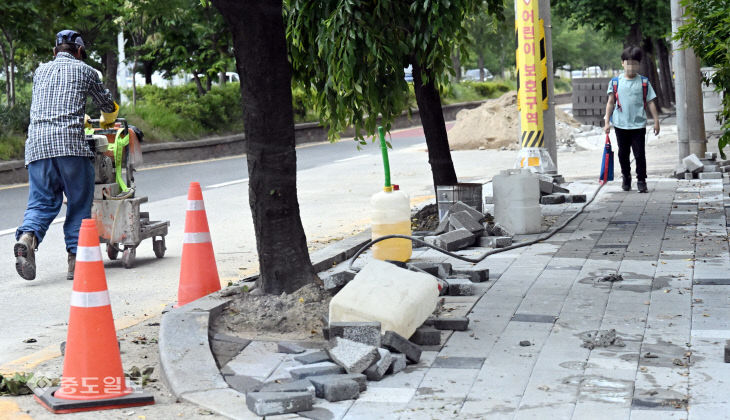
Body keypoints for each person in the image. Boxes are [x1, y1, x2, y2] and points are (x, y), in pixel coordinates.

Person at [14, 30, 118, 281]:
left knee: (41, 202)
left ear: (54, 51)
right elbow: (106, 105)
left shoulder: (40, 71)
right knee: (79, 202)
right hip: (71, 146)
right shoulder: (86, 71)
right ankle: (75, 260)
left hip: (37, 146)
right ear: (80, 52)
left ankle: (28, 237)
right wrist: (108, 117)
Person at [604, 45, 660, 193]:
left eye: (635, 63)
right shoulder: (615, 82)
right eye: (628, 63)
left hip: (638, 125)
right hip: (620, 125)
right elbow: (610, 103)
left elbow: (651, 102)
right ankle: (626, 177)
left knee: (640, 154)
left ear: (639, 64)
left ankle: (641, 180)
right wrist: (607, 122)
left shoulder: (643, 82)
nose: (631, 67)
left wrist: (656, 121)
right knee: (623, 153)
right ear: (622, 63)